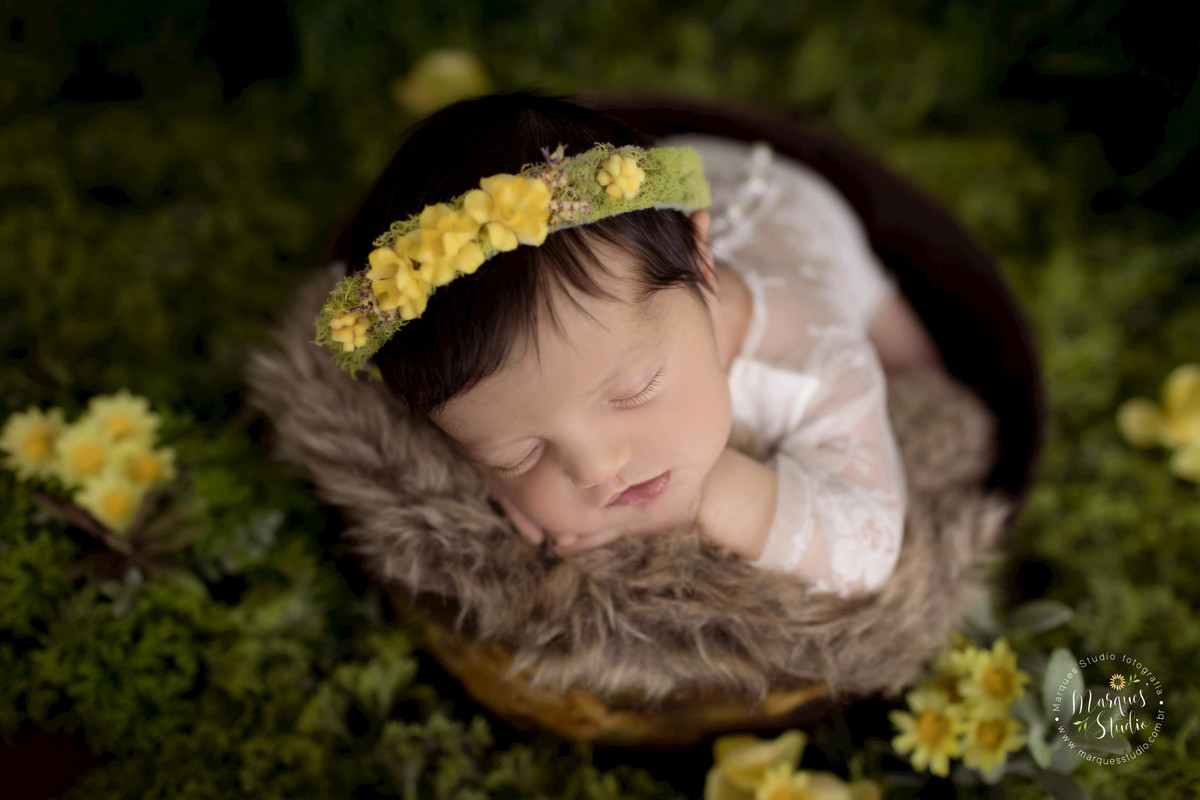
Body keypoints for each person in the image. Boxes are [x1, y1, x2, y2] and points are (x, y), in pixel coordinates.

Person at [316, 89, 944, 599]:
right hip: (639, 208)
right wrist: (511, 488)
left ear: (703, 265)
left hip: (789, 212)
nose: (594, 470)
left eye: (634, 391)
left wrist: (711, 497)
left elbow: (869, 548)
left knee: (909, 356)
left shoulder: (811, 358)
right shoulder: (570, 365)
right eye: (519, 452)